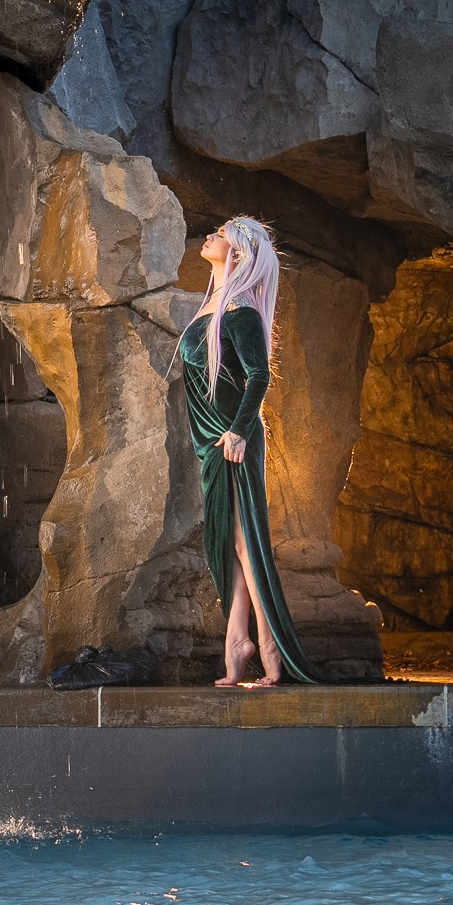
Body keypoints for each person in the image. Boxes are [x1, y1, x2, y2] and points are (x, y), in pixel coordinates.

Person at [179, 216, 318, 688]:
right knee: (228, 546)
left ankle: (271, 648)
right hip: (211, 442)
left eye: (220, 234)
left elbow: (259, 375)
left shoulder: (241, 310)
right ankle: (237, 643)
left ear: (236, 252)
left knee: (243, 543)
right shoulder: (214, 305)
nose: (210, 236)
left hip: (230, 439)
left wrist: (238, 432)